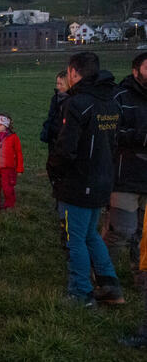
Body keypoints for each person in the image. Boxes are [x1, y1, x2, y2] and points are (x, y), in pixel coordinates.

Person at [50, 51, 124, 306]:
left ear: (73, 72)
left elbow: (66, 148)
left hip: (79, 183)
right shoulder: (111, 102)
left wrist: (54, 170)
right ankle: (110, 285)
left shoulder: (78, 103)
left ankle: (80, 292)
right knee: (91, 235)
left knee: (75, 239)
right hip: (103, 179)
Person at [105, 53, 147, 276]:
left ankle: (140, 273)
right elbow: (109, 132)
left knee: (145, 234)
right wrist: (141, 137)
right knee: (121, 230)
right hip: (125, 176)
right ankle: (103, 276)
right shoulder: (119, 96)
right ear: (135, 71)